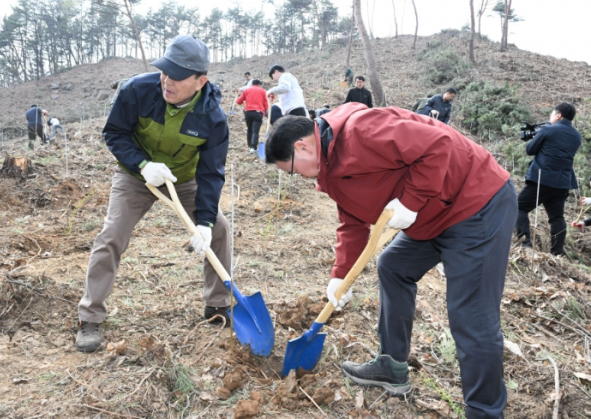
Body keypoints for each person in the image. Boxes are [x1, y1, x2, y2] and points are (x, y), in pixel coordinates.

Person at [265, 104, 517, 418]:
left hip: (475, 202)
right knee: (393, 266)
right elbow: (352, 222)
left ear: (301, 146)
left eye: (290, 169)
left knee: (471, 316)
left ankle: (484, 412)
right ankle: (393, 366)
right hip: (431, 217)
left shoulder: (362, 130)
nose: (296, 177)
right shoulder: (328, 168)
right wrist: (340, 275)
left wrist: (410, 201)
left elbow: (438, 144)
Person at [75, 35, 232, 353]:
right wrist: (143, 164)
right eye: (164, 71)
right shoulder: (137, 90)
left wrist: (203, 221)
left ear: (200, 81)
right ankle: (90, 317)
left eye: (176, 76)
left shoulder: (213, 119)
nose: (166, 80)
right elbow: (114, 132)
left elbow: (211, 173)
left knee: (219, 230)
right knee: (112, 234)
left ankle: (217, 307)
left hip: (184, 181)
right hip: (137, 175)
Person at [515, 103, 582, 256]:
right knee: (557, 218)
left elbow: (530, 150)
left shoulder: (547, 129)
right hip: (563, 182)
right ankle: (557, 253)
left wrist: (536, 136)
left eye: (552, 114)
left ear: (558, 115)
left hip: (542, 179)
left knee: (519, 207)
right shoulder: (577, 136)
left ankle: (525, 244)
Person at [236, 79, 268, 154]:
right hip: (258, 112)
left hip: (248, 113)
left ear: (252, 84)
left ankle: (250, 146)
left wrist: (239, 96)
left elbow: (239, 102)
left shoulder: (246, 90)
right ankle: (253, 147)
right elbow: (265, 104)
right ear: (259, 84)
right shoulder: (263, 91)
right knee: (255, 131)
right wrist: (266, 113)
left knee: (249, 129)